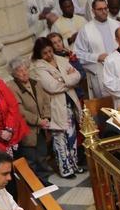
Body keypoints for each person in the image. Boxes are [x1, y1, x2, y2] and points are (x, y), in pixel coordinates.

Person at [30, 37, 84, 179]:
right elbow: (52, 87)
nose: (48, 55)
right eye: (45, 53)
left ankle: (74, 164)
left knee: (72, 136)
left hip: (70, 102)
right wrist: (68, 80)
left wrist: (63, 80)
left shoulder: (60, 59)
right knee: (60, 138)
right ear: (39, 54)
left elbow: (77, 75)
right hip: (55, 106)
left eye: (50, 51)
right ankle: (65, 168)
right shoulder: (37, 67)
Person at [9, 57, 52, 180]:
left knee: (42, 155)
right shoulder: (12, 87)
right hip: (27, 129)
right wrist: (39, 121)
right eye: (19, 71)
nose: (24, 73)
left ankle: (45, 181)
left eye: (25, 69)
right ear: (14, 74)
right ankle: (34, 186)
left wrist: (46, 117)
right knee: (31, 159)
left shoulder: (35, 83)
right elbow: (20, 110)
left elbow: (46, 101)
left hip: (41, 127)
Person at [76, 0, 119, 97]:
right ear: (93, 11)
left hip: (119, 70)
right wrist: (96, 57)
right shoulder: (86, 30)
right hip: (101, 73)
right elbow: (78, 54)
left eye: (105, 8)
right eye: (100, 9)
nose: (104, 11)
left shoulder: (117, 25)